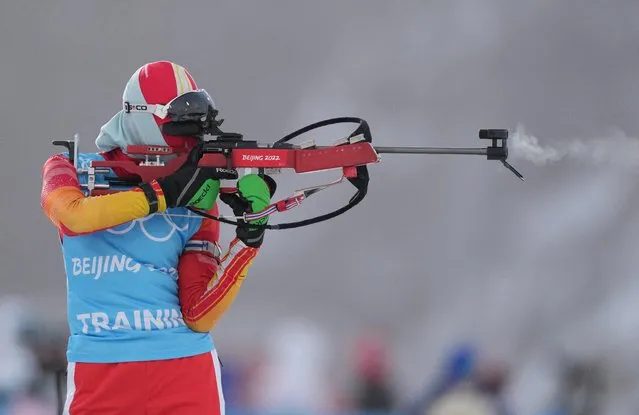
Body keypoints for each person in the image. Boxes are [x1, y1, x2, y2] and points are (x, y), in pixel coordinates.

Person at [40, 61, 273, 414]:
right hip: (99, 374)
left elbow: (199, 314)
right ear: (142, 119)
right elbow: (74, 216)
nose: (187, 142)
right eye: (179, 128)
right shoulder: (68, 168)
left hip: (185, 372)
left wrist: (249, 238)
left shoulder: (199, 194)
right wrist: (163, 194)